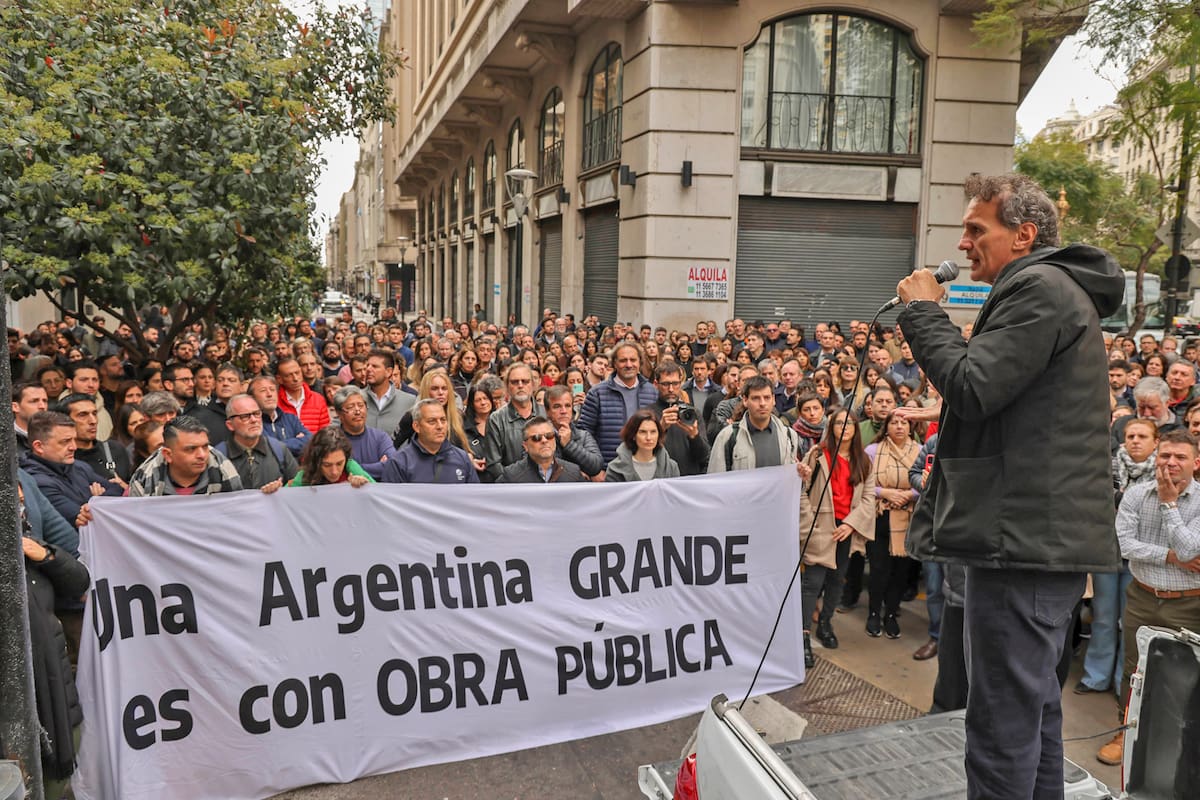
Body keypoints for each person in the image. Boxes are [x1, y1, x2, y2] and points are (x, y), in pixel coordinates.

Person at [894, 173, 1124, 797]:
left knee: (1000, 730)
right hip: (1031, 540)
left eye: (977, 229)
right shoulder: (1045, 288)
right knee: (1034, 717)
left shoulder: (1039, 289)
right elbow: (1008, 404)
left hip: (1021, 545)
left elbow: (973, 387)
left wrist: (922, 313)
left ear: (1024, 234)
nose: (963, 243)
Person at [1097, 428, 1200, 763]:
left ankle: (1173, 745)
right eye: (1165, 455)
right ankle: (1126, 733)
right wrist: (1171, 557)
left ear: (1195, 463)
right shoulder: (1137, 495)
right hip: (1141, 597)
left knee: (1183, 675)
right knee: (1134, 671)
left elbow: (1190, 546)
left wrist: (1169, 504)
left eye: (1180, 457)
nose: (1170, 462)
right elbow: (1125, 545)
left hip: (1187, 603)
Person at [20, 477, 91, 797]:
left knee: (59, 775)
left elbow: (78, 579)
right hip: (24, 687)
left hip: (53, 676)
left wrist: (46, 554)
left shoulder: (29, 545)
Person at [797, 408, 875, 667]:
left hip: (846, 529)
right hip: (821, 528)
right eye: (839, 423)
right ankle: (804, 635)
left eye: (849, 423)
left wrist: (852, 525)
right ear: (831, 427)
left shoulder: (863, 461)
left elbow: (868, 499)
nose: (844, 427)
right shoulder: (818, 455)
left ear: (855, 428)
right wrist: (812, 526)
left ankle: (826, 624)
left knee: (836, 580)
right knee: (812, 582)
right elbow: (802, 491)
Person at [864, 409, 921, 639]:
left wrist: (910, 495)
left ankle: (890, 614)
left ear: (911, 428)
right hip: (880, 515)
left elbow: (927, 480)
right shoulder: (873, 451)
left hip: (907, 517)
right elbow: (864, 482)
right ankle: (874, 613)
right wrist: (885, 492)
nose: (899, 426)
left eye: (903, 423)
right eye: (894, 422)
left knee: (900, 570)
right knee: (879, 569)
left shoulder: (919, 451)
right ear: (886, 426)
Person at [21, 411, 123, 530]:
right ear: (39, 446)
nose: (74, 447)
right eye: (65, 441)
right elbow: (82, 518)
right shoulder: (36, 481)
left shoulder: (79, 466)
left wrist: (98, 501)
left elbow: (118, 489)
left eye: (74, 440)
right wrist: (95, 502)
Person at [577, 342, 659, 463]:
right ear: (614, 363)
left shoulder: (652, 392)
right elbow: (584, 433)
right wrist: (594, 468)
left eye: (633, 360)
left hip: (644, 468)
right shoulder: (597, 393)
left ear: (640, 362)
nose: (629, 364)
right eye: (623, 360)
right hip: (607, 469)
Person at [128, 415, 244, 496]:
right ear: (168, 454)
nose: (202, 455)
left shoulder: (225, 472)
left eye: (205, 447)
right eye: (191, 449)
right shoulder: (143, 481)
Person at [381, 398, 479, 484]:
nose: (440, 426)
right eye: (432, 421)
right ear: (417, 426)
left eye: (443, 420)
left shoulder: (462, 458)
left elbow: (474, 498)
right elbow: (390, 501)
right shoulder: (399, 462)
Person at [216, 393, 299, 492]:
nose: (254, 420)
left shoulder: (278, 449)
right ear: (230, 425)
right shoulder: (218, 456)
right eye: (245, 416)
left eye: (256, 414)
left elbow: (297, 486)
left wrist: (279, 490)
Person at [482, 363, 544, 481]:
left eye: (525, 381)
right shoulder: (496, 419)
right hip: (511, 488)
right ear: (507, 386)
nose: (520, 385)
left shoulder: (546, 413)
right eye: (514, 382)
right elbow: (494, 464)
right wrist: (515, 482)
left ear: (533, 384)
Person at [650, 363, 710, 476]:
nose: (671, 389)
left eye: (675, 383)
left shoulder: (692, 413)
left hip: (688, 480)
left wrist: (694, 436)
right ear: (656, 384)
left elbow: (704, 456)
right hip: (658, 479)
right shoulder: (647, 414)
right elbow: (641, 453)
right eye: (666, 384)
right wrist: (660, 429)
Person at [61, 392, 132, 485]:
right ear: (65, 420)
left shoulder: (116, 450)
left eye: (94, 414)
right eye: (83, 415)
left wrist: (125, 490)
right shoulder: (61, 458)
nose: (93, 421)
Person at [329, 385, 397, 480]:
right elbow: (332, 472)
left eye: (361, 406)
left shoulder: (380, 437)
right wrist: (378, 466)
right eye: (350, 407)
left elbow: (392, 466)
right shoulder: (331, 439)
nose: (358, 411)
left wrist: (351, 469)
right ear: (339, 413)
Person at [497, 416, 587, 483]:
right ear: (525, 446)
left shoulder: (573, 472)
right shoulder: (511, 476)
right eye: (536, 438)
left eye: (549, 436)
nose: (544, 440)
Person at [543, 384, 604, 478]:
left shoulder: (583, 435)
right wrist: (576, 473)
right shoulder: (539, 436)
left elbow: (596, 466)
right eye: (557, 406)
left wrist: (569, 445)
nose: (563, 411)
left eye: (567, 406)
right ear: (547, 411)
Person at [604, 408, 680, 481]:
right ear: (633, 435)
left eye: (653, 432)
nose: (648, 437)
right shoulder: (615, 469)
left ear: (659, 434)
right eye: (642, 432)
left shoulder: (671, 467)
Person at [288, 425, 373, 487]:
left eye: (339, 464)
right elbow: (283, 499)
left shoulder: (351, 468)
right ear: (316, 461)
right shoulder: (306, 475)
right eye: (327, 465)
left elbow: (378, 494)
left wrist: (365, 486)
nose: (334, 472)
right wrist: (276, 490)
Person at [250, 375, 311, 456]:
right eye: (263, 390)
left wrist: (277, 445)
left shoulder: (291, 418)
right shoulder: (252, 422)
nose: (269, 394)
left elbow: (310, 441)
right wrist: (296, 441)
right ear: (252, 397)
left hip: (295, 468)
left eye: (272, 390)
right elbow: (265, 448)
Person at [13, 381, 49, 455]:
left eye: (45, 401)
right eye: (34, 401)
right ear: (15, 407)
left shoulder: (56, 434)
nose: (42, 406)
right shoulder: (4, 439)